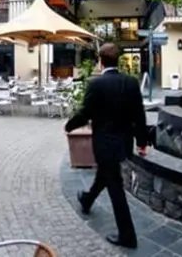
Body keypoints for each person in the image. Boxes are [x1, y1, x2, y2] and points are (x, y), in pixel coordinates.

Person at [65, 42, 148, 249]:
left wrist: (69, 126)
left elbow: (85, 113)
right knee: (105, 174)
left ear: (100, 62)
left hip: (104, 144)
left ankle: (127, 236)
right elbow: (139, 115)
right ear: (117, 60)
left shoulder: (96, 84)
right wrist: (142, 142)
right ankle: (87, 199)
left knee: (115, 187)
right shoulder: (131, 83)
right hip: (123, 143)